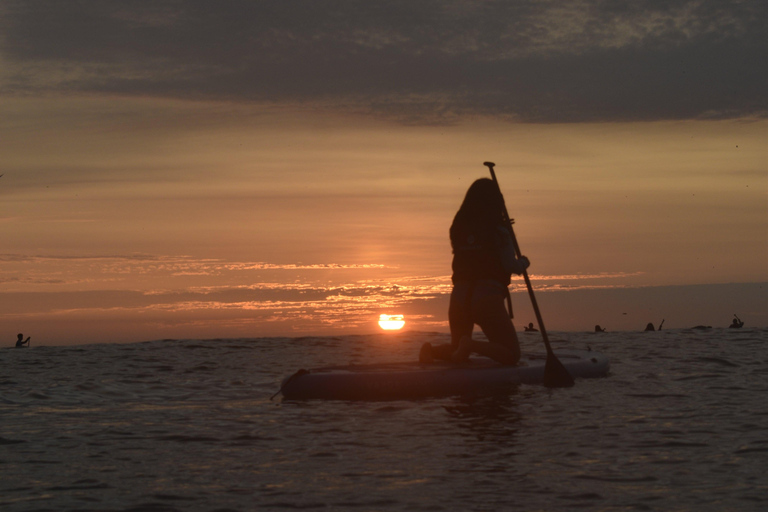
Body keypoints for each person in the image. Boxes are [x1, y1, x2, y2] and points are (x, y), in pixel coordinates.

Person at [419, 178, 529, 366]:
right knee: (511, 355)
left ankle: (431, 350)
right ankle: (470, 345)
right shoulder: (500, 231)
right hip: (486, 298)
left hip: (459, 297)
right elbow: (511, 265)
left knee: (456, 348)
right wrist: (524, 262)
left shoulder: (458, 230)